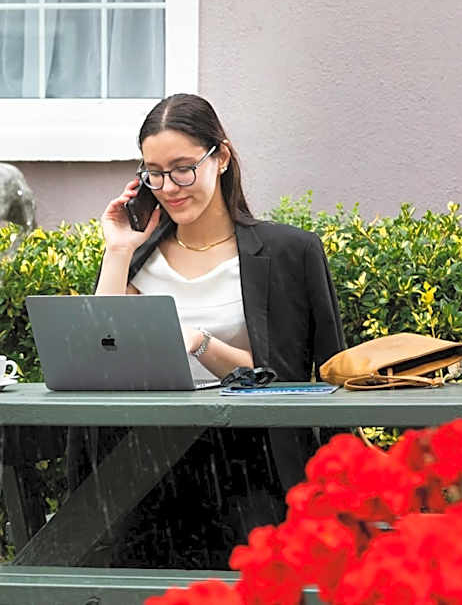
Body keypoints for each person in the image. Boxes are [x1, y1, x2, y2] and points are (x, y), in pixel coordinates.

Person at [89, 93, 346, 568]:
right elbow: (100, 356)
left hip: (252, 467)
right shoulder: (138, 260)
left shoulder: (289, 253)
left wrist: (199, 343)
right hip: (147, 469)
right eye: (154, 172)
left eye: (183, 167)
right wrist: (118, 250)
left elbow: (303, 384)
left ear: (221, 157)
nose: (169, 186)